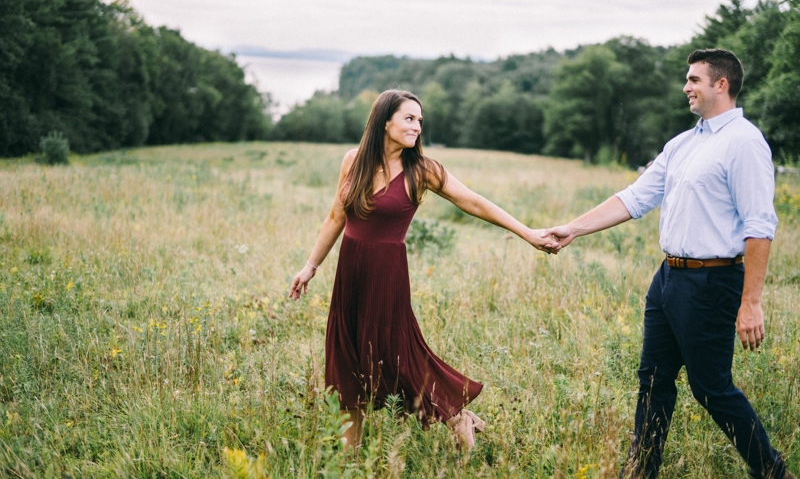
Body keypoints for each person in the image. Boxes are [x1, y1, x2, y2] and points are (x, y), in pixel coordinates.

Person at [545, 49, 794, 479]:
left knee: (711, 388)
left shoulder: (745, 143)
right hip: (668, 280)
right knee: (653, 380)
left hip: (714, 281)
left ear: (722, 84)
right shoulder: (683, 143)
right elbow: (636, 196)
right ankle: (640, 472)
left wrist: (750, 301)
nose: (686, 87)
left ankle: (772, 472)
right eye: (687, 78)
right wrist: (574, 229)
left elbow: (759, 225)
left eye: (694, 79)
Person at [289, 90, 558, 454]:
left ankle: (455, 415)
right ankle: (349, 459)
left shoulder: (423, 170)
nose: (417, 126)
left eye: (419, 120)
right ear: (385, 121)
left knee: (398, 356)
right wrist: (311, 266)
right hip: (350, 274)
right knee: (347, 360)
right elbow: (337, 216)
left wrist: (527, 233)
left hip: (387, 276)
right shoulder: (353, 161)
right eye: (409, 119)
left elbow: (473, 202)